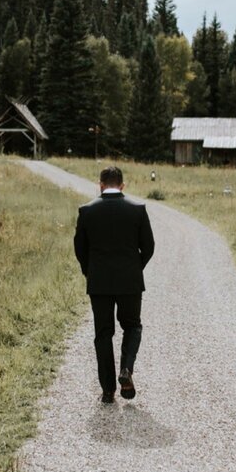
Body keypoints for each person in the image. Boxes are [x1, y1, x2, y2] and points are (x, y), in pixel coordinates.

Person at [73, 165, 156, 403]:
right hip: (130, 281)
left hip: (99, 282)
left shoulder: (86, 211)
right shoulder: (138, 209)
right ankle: (126, 369)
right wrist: (133, 268)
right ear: (122, 186)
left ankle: (108, 390)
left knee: (103, 333)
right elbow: (148, 247)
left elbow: (80, 249)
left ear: (100, 185)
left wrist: (90, 272)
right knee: (132, 326)